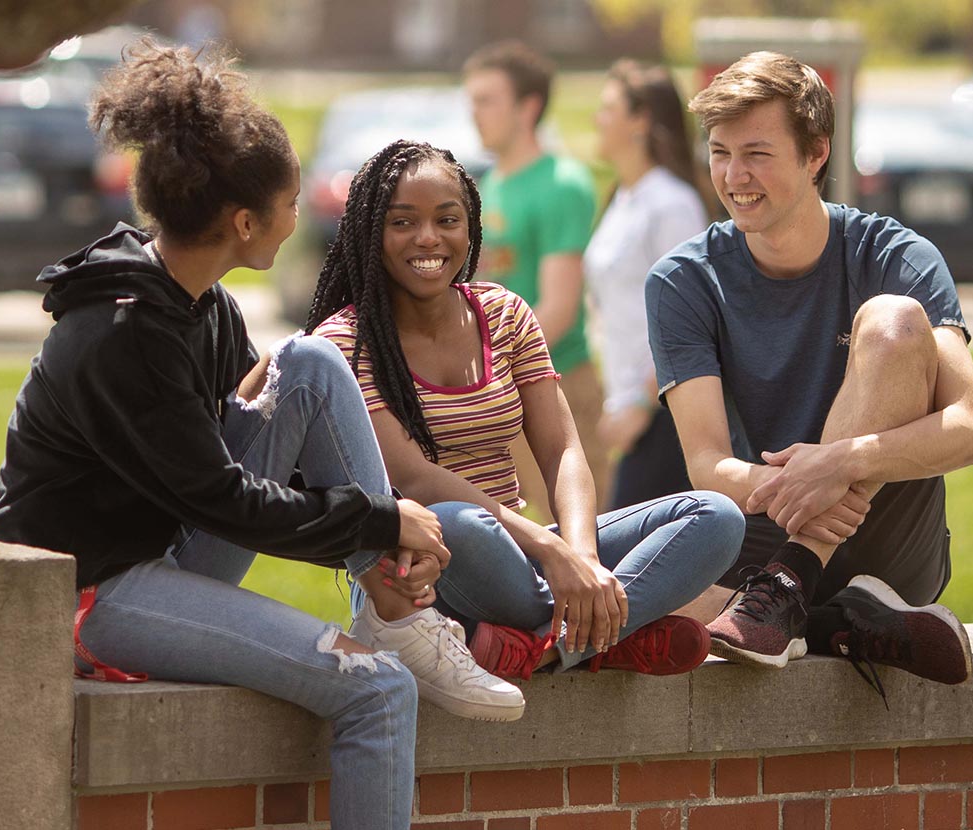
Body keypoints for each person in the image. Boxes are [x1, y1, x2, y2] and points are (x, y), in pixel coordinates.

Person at [0, 41, 524, 830]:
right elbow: (227, 500)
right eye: (291, 200)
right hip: (94, 592)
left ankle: (395, 609)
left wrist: (382, 534)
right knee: (376, 689)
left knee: (306, 361)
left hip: (170, 546)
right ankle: (396, 624)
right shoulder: (124, 332)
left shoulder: (203, 305)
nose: (306, 214)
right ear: (245, 222)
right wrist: (382, 518)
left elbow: (275, 446)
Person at [306, 139, 746, 681]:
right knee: (452, 522)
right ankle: (608, 635)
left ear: (470, 230)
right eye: (403, 222)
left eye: (448, 219)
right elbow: (415, 478)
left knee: (717, 517)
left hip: (521, 562)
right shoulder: (344, 341)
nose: (428, 238)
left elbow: (561, 449)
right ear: (370, 232)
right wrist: (549, 548)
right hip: (424, 570)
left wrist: (581, 553)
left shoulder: (505, 314)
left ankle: (544, 645)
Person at [646, 51, 973, 696]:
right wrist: (803, 477)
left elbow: (969, 424)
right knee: (622, 615)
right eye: (719, 152)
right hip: (758, 555)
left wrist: (842, 461)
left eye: (758, 153)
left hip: (887, 550)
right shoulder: (683, 281)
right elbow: (707, 463)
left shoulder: (897, 256)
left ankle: (795, 581)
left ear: (816, 152)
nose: (734, 176)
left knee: (894, 321)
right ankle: (829, 622)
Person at [463, 40, 610, 510]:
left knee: (587, 544)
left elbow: (560, 308)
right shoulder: (490, 183)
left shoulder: (561, 183)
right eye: (472, 101)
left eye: (487, 100)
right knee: (518, 555)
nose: (474, 113)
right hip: (501, 391)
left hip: (555, 386)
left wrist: (485, 377)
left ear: (528, 107)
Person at [584, 60, 708, 509]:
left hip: (664, 415)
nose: (598, 119)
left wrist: (640, 403)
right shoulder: (623, 196)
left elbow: (688, 317)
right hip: (630, 411)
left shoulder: (672, 203)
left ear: (640, 120)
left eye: (608, 108)